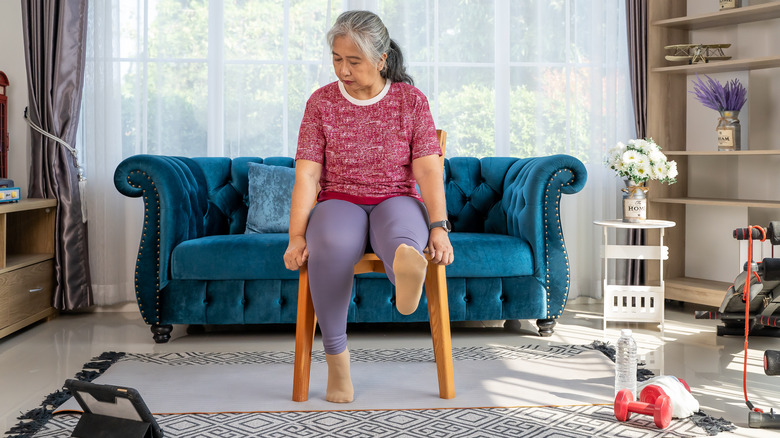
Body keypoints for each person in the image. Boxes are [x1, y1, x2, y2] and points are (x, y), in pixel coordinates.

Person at [283, 10, 454, 404]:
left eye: (354, 61)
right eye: (337, 59)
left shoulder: (410, 101)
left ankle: (406, 275)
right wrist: (295, 236)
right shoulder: (321, 103)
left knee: (402, 238)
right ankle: (338, 364)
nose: (343, 69)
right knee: (329, 244)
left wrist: (439, 226)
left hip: (396, 196)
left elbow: (428, 171)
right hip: (339, 198)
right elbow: (307, 177)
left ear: (381, 59)